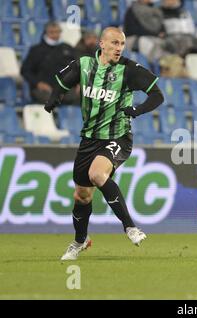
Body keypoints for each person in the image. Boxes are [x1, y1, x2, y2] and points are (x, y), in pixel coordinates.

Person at [43, 27, 165, 260]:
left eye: (122, 44)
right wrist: (54, 98)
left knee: (98, 175)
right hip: (89, 139)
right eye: (115, 43)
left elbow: (158, 95)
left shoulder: (129, 70)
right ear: (102, 44)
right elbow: (62, 82)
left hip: (117, 136)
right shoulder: (84, 65)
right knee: (82, 196)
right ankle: (80, 241)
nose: (119, 48)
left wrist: (137, 110)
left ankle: (130, 227)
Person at [21, 21, 79, 105]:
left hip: (65, 88)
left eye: (58, 32)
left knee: (82, 96)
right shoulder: (36, 50)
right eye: (52, 32)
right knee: (49, 99)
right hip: (44, 89)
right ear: (45, 32)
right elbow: (25, 70)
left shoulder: (67, 48)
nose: (55, 35)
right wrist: (38, 83)